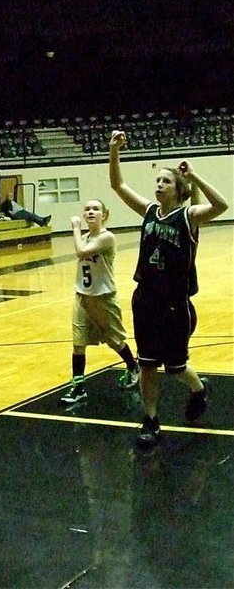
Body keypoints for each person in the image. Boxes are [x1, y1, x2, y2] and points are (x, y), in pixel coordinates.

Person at [109, 131, 229, 450]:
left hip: (175, 305)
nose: (159, 185)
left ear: (178, 190)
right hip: (145, 299)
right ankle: (151, 420)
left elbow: (222, 204)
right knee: (147, 363)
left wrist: (196, 176)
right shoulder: (149, 211)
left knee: (175, 368)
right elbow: (118, 186)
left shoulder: (188, 216)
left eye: (166, 181)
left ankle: (199, 388)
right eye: (158, 181)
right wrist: (113, 151)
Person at [61, 199, 139, 405]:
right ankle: (78, 387)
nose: (91, 212)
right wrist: (80, 232)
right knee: (78, 343)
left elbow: (81, 252)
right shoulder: (85, 237)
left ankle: (133, 368)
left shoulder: (107, 238)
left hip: (104, 298)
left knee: (115, 341)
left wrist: (76, 228)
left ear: (104, 215)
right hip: (82, 297)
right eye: (87, 209)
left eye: (96, 209)